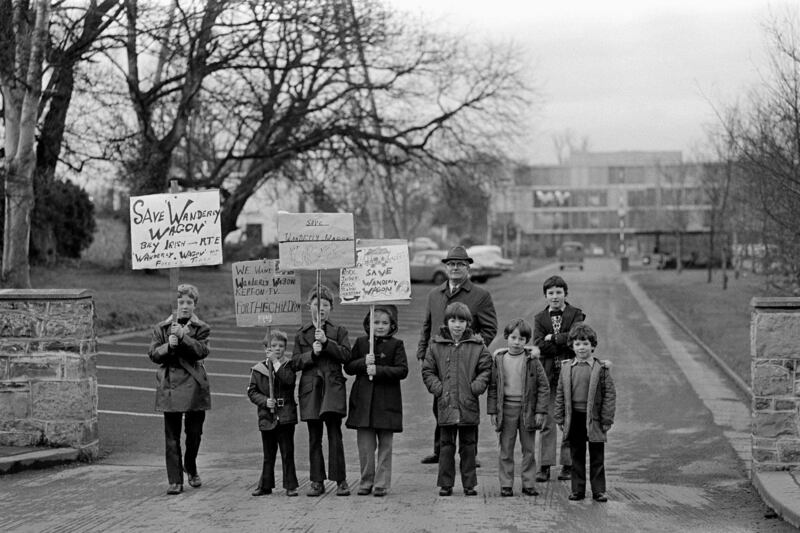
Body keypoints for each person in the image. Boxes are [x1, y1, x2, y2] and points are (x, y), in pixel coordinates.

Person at [417, 245, 497, 465]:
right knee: (440, 402)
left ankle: (470, 454)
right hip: (439, 358)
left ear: (468, 267)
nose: (454, 268)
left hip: (466, 362)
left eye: (460, 264)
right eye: (451, 264)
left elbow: (490, 328)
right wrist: (422, 351)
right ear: (445, 266)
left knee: (467, 404)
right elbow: (427, 325)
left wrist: (473, 349)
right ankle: (440, 450)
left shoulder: (480, 295)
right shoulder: (434, 294)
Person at [421, 302, 492, 496]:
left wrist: (476, 387)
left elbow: (486, 368)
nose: (457, 325)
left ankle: (469, 484)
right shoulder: (436, 345)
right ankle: (446, 484)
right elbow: (428, 371)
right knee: (446, 446)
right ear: (446, 322)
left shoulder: (477, 346)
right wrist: (439, 389)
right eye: (453, 320)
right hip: (446, 403)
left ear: (468, 323)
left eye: (462, 320)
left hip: (468, 403)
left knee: (469, 446)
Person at [147, 283, 211, 495]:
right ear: (174, 305)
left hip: (194, 386)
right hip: (170, 386)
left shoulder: (202, 328)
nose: (184, 306)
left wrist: (183, 338)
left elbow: (201, 351)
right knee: (171, 436)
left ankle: (190, 466)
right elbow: (154, 355)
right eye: (181, 302)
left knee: (194, 434)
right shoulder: (161, 328)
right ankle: (175, 480)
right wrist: (169, 345)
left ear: (195, 305)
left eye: (189, 302)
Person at [291, 284, 352, 497]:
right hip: (311, 390)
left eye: (325, 305)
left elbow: (346, 356)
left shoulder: (339, 331)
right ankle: (317, 480)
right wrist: (312, 354)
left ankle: (341, 479)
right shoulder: (302, 334)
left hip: (333, 389)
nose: (321, 309)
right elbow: (295, 362)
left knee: (335, 434)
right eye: (317, 305)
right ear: (309, 307)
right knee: (314, 436)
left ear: (331, 308)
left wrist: (327, 343)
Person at [344, 305, 409, 497]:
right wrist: (364, 362)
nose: (380, 326)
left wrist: (378, 370)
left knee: (385, 446)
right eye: (376, 322)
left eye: (384, 323)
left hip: (387, 403)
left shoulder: (396, 345)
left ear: (392, 325)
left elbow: (402, 370)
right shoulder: (362, 343)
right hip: (363, 402)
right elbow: (348, 367)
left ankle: (381, 484)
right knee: (365, 446)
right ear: (368, 324)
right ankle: (366, 480)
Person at [487, 318, 550, 497]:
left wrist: (540, 411)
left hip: (527, 411)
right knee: (506, 448)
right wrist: (492, 410)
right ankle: (506, 484)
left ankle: (529, 483)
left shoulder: (532, 361)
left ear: (526, 341)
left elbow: (543, 386)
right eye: (513, 338)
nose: (517, 342)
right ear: (507, 337)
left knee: (528, 449)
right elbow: (493, 387)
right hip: (506, 410)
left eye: (521, 339)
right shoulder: (499, 360)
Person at [554, 322, 616, 502]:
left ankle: (599, 490)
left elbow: (609, 394)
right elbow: (560, 393)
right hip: (574, 418)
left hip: (595, 418)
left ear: (593, 346)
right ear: (572, 346)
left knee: (597, 456)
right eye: (578, 344)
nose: (582, 348)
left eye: (586, 344)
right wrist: (559, 417)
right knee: (576, 456)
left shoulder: (600, 369)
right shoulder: (567, 368)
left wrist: (607, 418)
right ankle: (577, 490)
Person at [533, 275, 586, 482]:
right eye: (551, 293)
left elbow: (576, 338)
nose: (555, 297)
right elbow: (539, 344)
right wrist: (562, 341)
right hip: (548, 376)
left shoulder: (576, 314)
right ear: (546, 296)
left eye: (559, 292)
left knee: (568, 419)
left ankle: (568, 464)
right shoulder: (540, 318)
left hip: (570, 373)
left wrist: (553, 338)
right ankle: (545, 465)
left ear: (565, 293)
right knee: (547, 421)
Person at [247, 330, 299, 497]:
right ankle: (265, 484)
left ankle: (290, 485)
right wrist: (264, 401)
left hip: (285, 416)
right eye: (273, 346)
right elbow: (252, 391)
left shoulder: (288, 365)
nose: (277, 349)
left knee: (287, 452)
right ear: (266, 348)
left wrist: (276, 362)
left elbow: (288, 380)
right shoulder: (258, 369)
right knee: (268, 454)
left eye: (281, 346)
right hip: (267, 416)